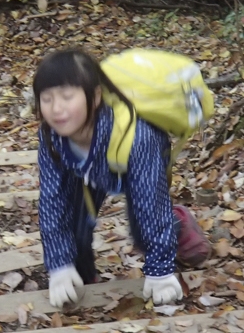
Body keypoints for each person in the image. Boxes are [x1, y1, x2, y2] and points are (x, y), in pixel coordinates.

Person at [33, 49, 212, 308]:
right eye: (46, 99)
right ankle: (82, 276)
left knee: (143, 225)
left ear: (94, 97)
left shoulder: (138, 135)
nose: (56, 108)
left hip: (133, 159)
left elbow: (151, 200)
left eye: (67, 97)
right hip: (87, 167)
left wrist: (160, 271)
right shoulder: (52, 136)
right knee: (75, 225)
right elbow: (52, 198)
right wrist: (59, 265)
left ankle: (178, 222)